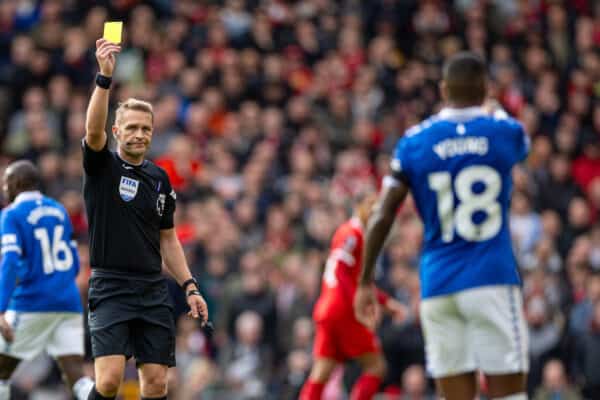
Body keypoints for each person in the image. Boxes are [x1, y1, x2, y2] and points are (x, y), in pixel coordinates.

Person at [355, 52, 530, 400]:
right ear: (485, 88)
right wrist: (493, 108)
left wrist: (365, 281)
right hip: (491, 279)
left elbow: (383, 213)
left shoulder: (415, 141)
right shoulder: (502, 130)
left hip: (438, 284)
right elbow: (519, 142)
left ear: (443, 89)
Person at [83, 39, 208, 400]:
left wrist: (189, 286)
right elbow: (93, 133)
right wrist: (105, 79)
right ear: (118, 131)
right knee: (107, 382)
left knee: (155, 385)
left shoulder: (159, 178)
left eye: (146, 129)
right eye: (132, 127)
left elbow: (168, 239)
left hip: (152, 290)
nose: (139, 134)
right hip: (111, 287)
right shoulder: (102, 167)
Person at [0, 160, 94, 400]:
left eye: (5, 182)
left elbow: (10, 261)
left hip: (32, 302)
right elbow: (73, 262)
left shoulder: (11, 214)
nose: (3, 188)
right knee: (76, 375)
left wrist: (1, 308)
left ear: (16, 184)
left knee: (1, 371)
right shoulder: (59, 210)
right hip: (68, 302)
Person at [300, 194, 406, 400]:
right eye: (373, 209)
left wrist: (385, 302)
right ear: (360, 208)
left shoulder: (356, 235)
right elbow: (342, 272)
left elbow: (356, 279)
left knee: (322, 370)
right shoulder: (351, 233)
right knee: (376, 367)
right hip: (343, 310)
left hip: (327, 308)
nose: (377, 215)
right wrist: (359, 305)